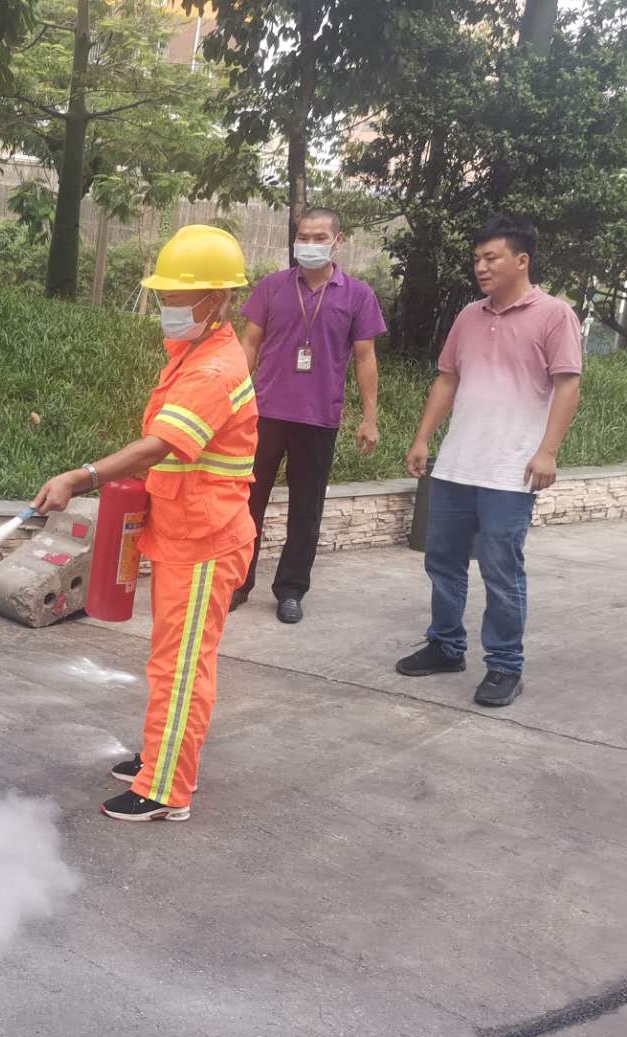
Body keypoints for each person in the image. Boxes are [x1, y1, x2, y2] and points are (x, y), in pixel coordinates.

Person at [32, 225, 258, 822]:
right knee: (170, 660)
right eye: (164, 298)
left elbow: (158, 445)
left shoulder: (212, 371)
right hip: (186, 532)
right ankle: (164, 754)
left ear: (216, 300)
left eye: (177, 299)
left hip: (207, 540)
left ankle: (166, 789)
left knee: (181, 666)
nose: (167, 309)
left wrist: (81, 476)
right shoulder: (193, 354)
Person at [396, 214, 583, 708]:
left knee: (501, 569)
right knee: (443, 561)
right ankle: (445, 645)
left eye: (491, 258)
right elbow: (447, 379)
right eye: (477, 259)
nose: (481, 267)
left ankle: (505, 665)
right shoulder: (468, 316)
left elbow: (568, 384)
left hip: (511, 470)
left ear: (521, 261)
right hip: (458, 463)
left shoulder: (554, 315)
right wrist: (422, 439)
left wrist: (548, 451)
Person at [233, 207, 387, 623]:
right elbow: (249, 344)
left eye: (319, 237)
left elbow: (365, 359)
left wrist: (369, 418)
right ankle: (238, 582)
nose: (310, 244)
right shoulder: (272, 287)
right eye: (303, 236)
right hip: (264, 413)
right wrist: (232, 400)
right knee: (247, 502)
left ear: (338, 241)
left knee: (306, 509)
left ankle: (291, 589)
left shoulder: (357, 295)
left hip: (319, 418)